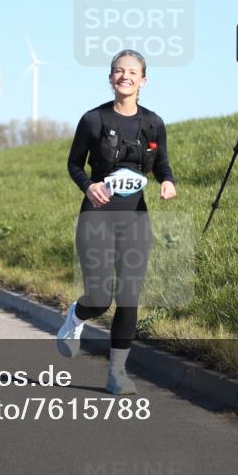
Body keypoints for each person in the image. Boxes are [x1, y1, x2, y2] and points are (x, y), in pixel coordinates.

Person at [56, 49, 177, 395]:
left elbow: (162, 164)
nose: (125, 76)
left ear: (143, 81)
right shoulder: (93, 120)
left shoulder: (153, 123)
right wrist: (88, 185)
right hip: (96, 217)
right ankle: (76, 316)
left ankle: (117, 374)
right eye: (119, 71)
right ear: (110, 78)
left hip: (136, 219)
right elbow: (74, 164)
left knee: (129, 297)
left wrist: (167, 182)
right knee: (99, 298)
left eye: (132, 72)